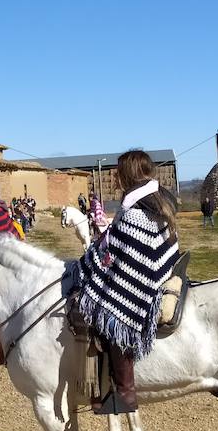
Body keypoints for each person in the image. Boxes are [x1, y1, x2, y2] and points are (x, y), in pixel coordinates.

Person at [73, 151, 179, 415]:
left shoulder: (134, 213)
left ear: (127, 174)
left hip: (144, 282)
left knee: (112, 311)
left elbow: (114, 254)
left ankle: (125, 392)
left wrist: (89, 264)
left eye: (118, 172)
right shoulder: (159, 198)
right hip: (163, 270)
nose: (115, 177)